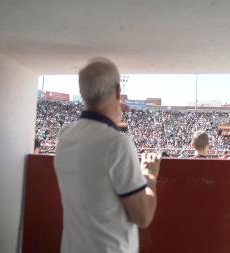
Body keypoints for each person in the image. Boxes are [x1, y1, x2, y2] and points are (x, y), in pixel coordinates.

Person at [54, 58, 161, 253]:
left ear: (84, 93)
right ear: (118, 91)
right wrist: (150, 176)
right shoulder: (117, 144)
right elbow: (143, 216)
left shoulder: (65, 136)